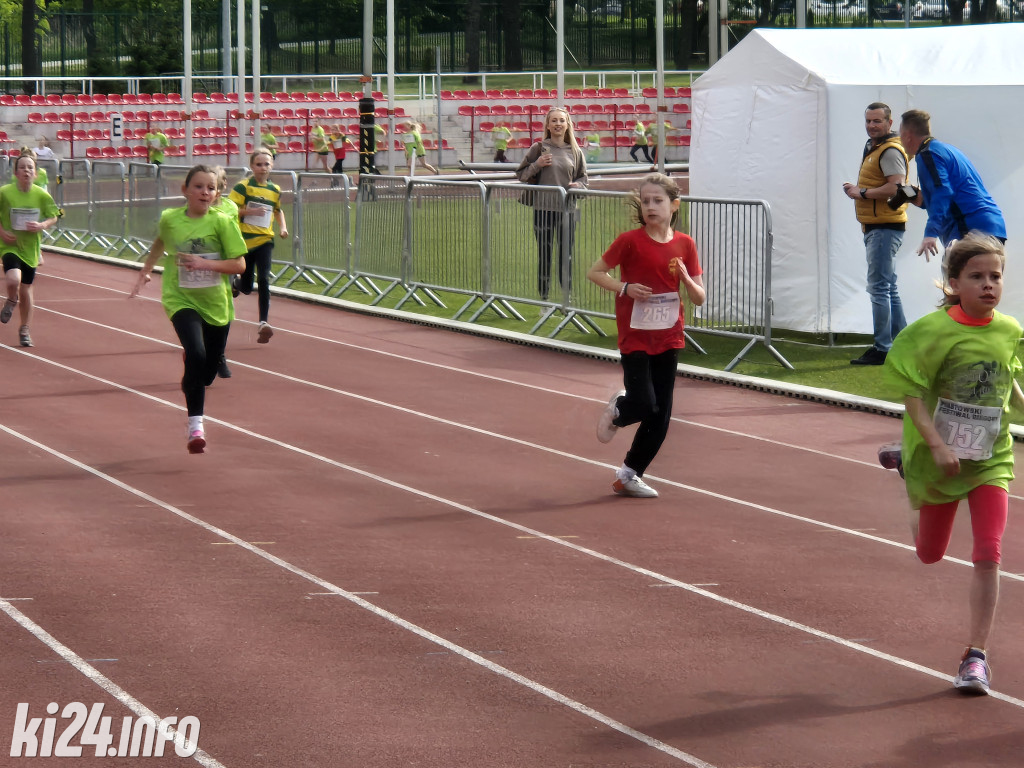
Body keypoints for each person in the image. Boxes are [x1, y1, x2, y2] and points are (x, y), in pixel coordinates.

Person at [882, 232, 1023, 696]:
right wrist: (936, 447)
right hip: (938, 457)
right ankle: (908, 469)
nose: (988, 285)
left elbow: (1008, 383)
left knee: (989, 550)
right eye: (977, 276)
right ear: (954, 281)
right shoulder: (931, 331)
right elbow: (912, 393)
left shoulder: (1010, 330)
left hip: (990, 458)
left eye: (995, 276)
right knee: (929, 553)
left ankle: (976, 656)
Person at [586, 173, 705, 498]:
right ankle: (620, 409)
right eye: (646, 201)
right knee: (644, 403)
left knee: (661, 414)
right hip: (636, 336)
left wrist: (688, 280)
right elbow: (595, 272)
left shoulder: (685, 244)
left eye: (658, 200)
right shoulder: (630, 241)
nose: (651, 206)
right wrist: (624, 287)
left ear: (674, 205)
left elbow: (699, 297)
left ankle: (628, 475)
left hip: (669, 337)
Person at [129, 164, 247, 453]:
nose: (204, 192)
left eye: (210, 187)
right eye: (198, 186)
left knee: (205, 371)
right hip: (180, 297)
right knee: (195, 352)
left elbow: (239, 265)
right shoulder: (170, 219)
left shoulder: (222, 221)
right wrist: (146, 269)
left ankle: (194, 373)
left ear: (217, 193)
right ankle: (196, 425)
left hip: (216, 303)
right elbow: (160, 242)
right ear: (185, 190)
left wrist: (205, 264)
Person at [841, 102, 910, 367]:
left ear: (889, 124)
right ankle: (901, 343)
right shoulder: (876, 148)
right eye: (868, 121)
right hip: (880, 226)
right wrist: (860, 189)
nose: (872, 126)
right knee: (888, 287)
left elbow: (895, 187)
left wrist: (862, 193)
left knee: (879, 288)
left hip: (884, 227)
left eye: (877, 121)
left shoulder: (889, 150)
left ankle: (883, 348)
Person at [898, 109, 1006, 261]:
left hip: (971, 229)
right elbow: (953, 192)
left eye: (900, 134)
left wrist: (931, 233)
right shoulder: (947, 150)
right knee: (985, 282)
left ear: (907, 136)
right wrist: (917, 197)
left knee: (958, 279)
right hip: (991, 226)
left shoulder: (927, 154)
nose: (900, 140)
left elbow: (943, 192)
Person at [515, 107, 588, 302]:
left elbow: (583, 179)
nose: (558, 124)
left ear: (567, 125)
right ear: (547, 125)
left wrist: (578, 185)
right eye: (554, 121)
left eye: (561, 121)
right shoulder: (538, 148)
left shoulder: (575, 151)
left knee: (566, 255)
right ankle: (544, 299)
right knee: (544, 254)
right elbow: (521, 175)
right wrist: (537, 164)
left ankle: (567, 297)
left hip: (567, 210)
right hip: (543, 209)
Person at [229, 149, 289, 346]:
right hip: (244, 242)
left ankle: (263, 322)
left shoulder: (275, 189)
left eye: (267, 164)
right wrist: (250, 211)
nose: (263, 168)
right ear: (252, 166)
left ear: (272, 166)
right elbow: (229, 211)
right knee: (246, 287)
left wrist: (283, 227)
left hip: (264, 240)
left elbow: (278, 210)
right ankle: (236, 284)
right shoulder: (243, 187)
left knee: (264, 278)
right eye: (259, 164)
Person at [0, 150, 60, 348]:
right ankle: (10, 299)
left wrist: (42, 225)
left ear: (35, 174)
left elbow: (54, 215)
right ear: (15, 173)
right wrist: (1, 231)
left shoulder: (41, 195)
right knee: (13, 279)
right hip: (10, 244)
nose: (26, 171)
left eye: (30, 168)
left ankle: (24, 329)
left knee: (26, 289)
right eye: (22, 168)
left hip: (31, 249)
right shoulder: (5, 192)